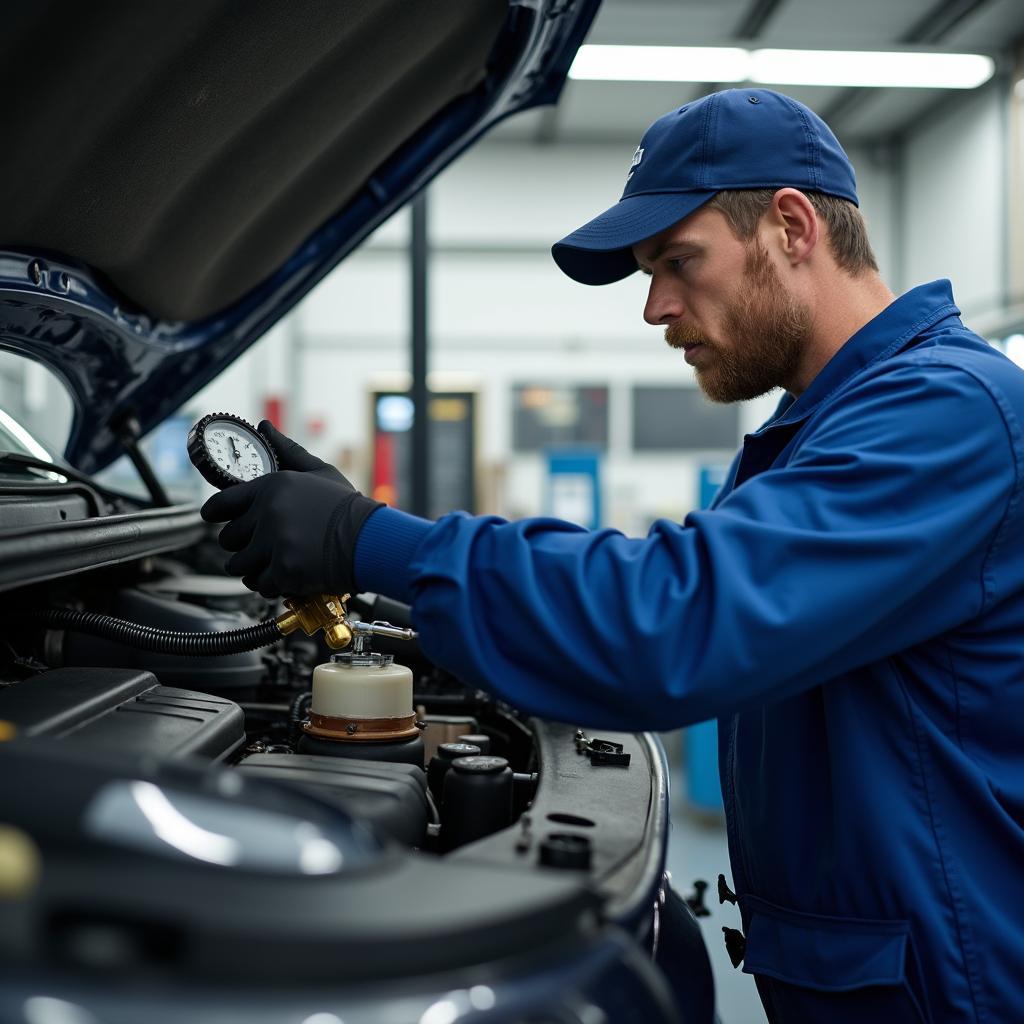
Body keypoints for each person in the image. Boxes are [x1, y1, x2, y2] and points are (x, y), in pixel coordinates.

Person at [202, 89, 1024, 1023]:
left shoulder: (949, 414)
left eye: (678, 262)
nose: (655, 307)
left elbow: (675, 620)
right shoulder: (822, 428)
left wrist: (371, 539)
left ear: (792, 227)